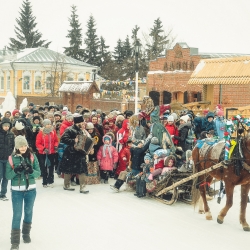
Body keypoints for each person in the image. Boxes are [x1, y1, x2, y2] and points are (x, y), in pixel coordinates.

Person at [6, 135, 41, 250]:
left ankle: (26, 234)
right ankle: (15, 241)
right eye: (21, 146)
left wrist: (30, 171)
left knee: (28, 212)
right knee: (17, 214)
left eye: (25, 145)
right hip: (17, 191)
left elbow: (38, 173)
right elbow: (7, 175)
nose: (23, 148)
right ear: (16, 147)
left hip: (30, 189)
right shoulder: (11, 158)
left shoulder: (32, 156)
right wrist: (16, 170)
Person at [59, 114, 89, 194]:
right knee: (68, 170)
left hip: (80, 152)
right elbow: (63, 139)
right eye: (82, 123)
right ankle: (66, 185)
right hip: (71, 152)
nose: (83, 124)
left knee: (82, 169)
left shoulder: (83, 130)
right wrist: (73, 141)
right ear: (77, 123)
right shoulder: (69, 129)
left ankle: (83, 186)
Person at [36, 119, 58, 188]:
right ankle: (44, 181)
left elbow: (56, 141)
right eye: (47, 124)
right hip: (43, 153)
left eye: (49, 124)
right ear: (44, 125)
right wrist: (43, 148)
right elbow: (37, 143)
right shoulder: (41, 133)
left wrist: (55, 146)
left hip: (51, 152)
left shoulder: (53, 132)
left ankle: (50, 181)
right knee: (44, 167)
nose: (48, 125)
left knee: (51, 167)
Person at [0, 117, 15, 200]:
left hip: (7, 159)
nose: (6, 127)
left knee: (6, 177)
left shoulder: (11, 134)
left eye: (8, 125)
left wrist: (11, 154)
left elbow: (12, 146)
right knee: (0, 176)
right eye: (5, 125)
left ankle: (3, 193)